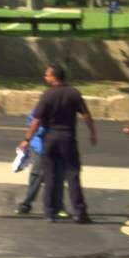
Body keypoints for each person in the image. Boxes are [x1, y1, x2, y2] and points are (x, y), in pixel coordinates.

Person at [18, 64, 97, 224]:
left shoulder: (47, 95)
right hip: (68, 137)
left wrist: (27, 139)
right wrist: (92, 133)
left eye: (47, 75)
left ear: (54, 77)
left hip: (50, 138)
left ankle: (49, 212)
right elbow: (87, 115)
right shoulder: (74, 93)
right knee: (73, 175)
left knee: (50, 175)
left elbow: (36, 120)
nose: (45, 77)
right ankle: (80, 212)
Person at [14, 106, 69, 218]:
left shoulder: (64, 108)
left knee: (58, 176)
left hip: (58, 146)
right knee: (37, 175)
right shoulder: (41, 107)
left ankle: (58, 206)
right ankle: (26, 204)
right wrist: (27, 140)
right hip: (41, 146)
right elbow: (34, 125)